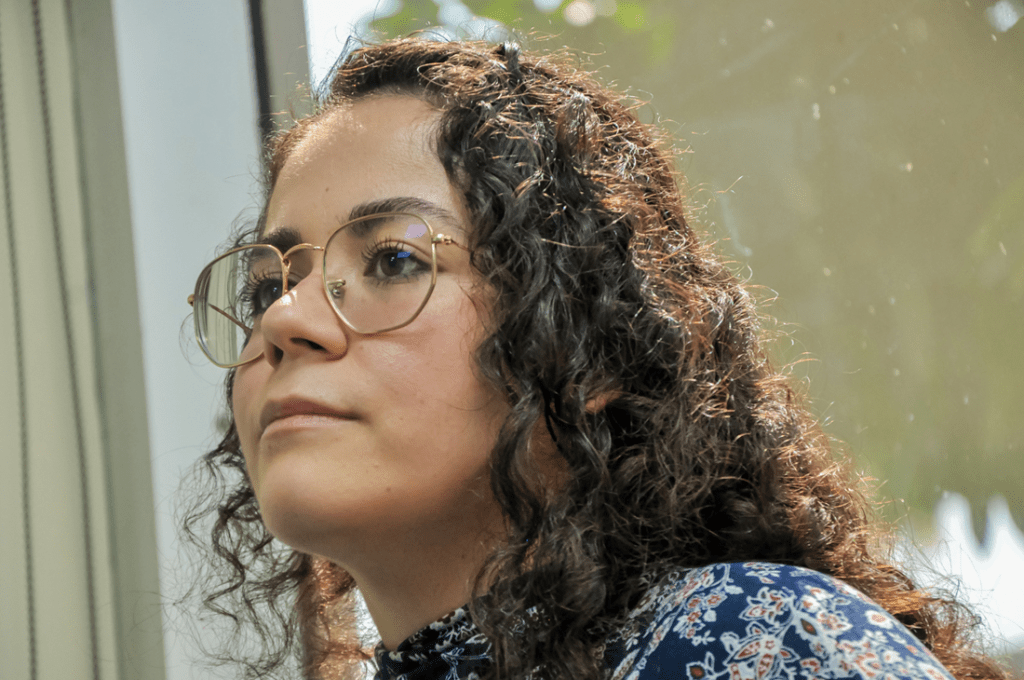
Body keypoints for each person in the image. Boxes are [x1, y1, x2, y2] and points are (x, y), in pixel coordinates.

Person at [183, 38, 1014, 680]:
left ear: (585, 348)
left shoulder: (747, 641)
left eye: (394, 260)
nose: (285, 319)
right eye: (266, 287)